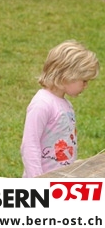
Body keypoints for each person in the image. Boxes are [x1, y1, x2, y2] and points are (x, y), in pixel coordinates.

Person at [21, 40, 99, 178]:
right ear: (66, 77)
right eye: (84, 81)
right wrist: (37, 181)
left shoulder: (65, 104)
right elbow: (30, 145)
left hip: (60, 179)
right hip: (43, 182)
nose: (86, 86)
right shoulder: (42, 104)